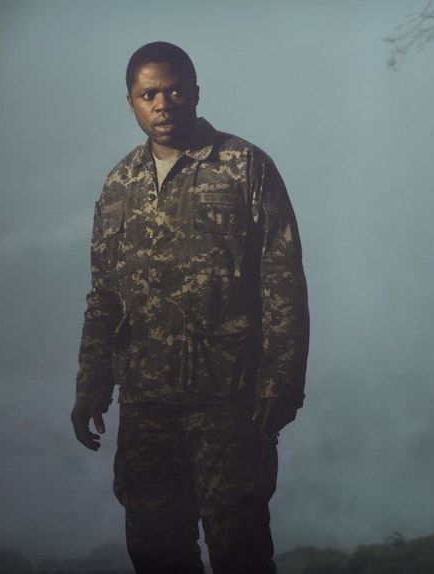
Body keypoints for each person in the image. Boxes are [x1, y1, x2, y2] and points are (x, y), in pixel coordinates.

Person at [70, 41, 309, 574]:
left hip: (229, 399)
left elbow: (282, 280)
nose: (163, 103)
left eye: (174, 90)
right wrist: (91, 386)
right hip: (145, 403)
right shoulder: (118, 184)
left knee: (239, 548)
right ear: (131, 102)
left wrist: (282, 379)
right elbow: (104, 295)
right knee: (156, 551)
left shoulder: (244, 166)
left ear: (196, 93)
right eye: (148, 94)